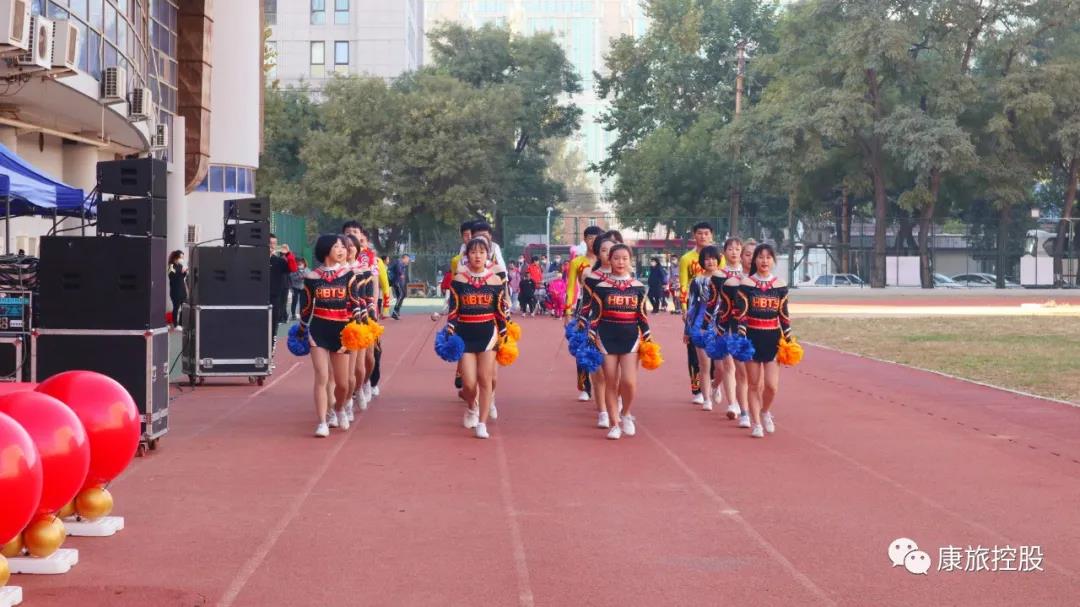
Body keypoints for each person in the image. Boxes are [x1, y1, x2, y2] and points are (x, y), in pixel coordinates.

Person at [299, 235, 372, 437]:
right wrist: (302, 331)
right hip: (318, 331)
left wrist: (354, 330)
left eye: (342, 247)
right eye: (336, 247)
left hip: (342, 332)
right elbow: (306, 308)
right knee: (322, 376)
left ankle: (339, 408)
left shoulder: (349, 275)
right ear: (325, 250)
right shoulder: (312, 277)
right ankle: (323, 421)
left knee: (343, 384)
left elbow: (355, 304)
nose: (341, 250)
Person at [445, 237, 509, 439]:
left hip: (488, 335)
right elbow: (453, 310)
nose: (478, 256)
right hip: (465, 334)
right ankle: (471, 407)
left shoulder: (495, 280)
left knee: (485, 379)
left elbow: (499, 311)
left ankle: (482, 423)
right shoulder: (459, 280)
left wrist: (504, 332)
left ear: (488, 255)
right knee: (469, 384)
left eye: (482, 252)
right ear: (467, 255)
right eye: (473, 252)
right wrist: (450, 329)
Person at [586, 243, 651, 440]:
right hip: (606, 338)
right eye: (616, 258)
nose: (620, 262)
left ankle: (626, 413)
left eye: (624, 258)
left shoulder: (638, 287)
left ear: (630, 260)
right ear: (609, 260)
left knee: (629, 382)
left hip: (631, 338)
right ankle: (614, 424)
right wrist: (591, 337)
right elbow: (595, 316)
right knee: (610, 382)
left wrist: (648, 337)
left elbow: (642, 316)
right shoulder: (601, 287)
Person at [735, 244, 791, 439]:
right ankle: (756, 424)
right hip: (752, 338)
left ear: (773, 260)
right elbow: (742, 314)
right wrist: (741, 335)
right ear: (755, 260)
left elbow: (784, 315)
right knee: (753, 384)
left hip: (773, 338)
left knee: (771, 386)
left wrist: (789, 338)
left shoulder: (780, 285)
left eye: (768, 257)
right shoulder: (746, 284)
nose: (764, 261)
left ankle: (765, 411)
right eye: (760, 257)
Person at [678, 222, 720, 404]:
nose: (703, 236)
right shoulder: (686, 259)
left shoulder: (719, 258)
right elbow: (683, 285)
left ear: (711, 235)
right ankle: (698, 390)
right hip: (696, 309)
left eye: (707, 233)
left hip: (718, 313)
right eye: (700, 233)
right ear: (694, 235)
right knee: (695, 353)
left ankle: (714, 384)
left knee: (717, 356)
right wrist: (684, 308)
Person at [708, 238, 747, 423]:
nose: (734, 252)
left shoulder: (748, 275)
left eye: (738, 249)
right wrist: (707, 324)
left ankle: (717, 386)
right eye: (730, 249)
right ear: (724, 252)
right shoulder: (718, 275)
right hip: (723, 322)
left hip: (743, 324)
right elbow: (712, 301)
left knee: (741, 368)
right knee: (727, 365)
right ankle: (733, 404)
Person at [565, 225, 603, 402]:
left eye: (596, 238)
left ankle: (604, 384)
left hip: (604, 306)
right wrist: (567, 311)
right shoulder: (577, 262)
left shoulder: (607, 260)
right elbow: (571, 287)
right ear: (584, 240)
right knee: (581, 344)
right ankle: (585, 386)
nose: (593, 241)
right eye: (589, 238)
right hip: (584, 306)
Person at [685, 245, 722, 412]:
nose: (710, 261)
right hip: (700, 323)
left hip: (721, 322)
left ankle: (716, 385)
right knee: (704, 364)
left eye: (713, 258)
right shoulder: (697, 281)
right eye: (707, 259)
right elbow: (692, 305)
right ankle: (706, 398)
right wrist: (687, 329)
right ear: (702, 261)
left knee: (721, 367)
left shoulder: (725, 279)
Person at [268, 234, 298, 341]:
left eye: (274, 243)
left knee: (273, 324)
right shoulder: (255, 259)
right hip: (258, 297)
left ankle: (271, 345)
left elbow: (293, 268)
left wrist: (288, 253)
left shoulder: (279, 261)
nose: (272, 246)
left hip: (274, 297)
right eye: (270, 243)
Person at [167, 250, 187, 329]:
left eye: (182, 257)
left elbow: (182, 277)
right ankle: (175, 324)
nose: (182, 259)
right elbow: (172, 276)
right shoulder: (171, 266)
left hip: (182, 290)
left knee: (184, 308)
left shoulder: (180, 266)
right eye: (180, 257)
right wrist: (180, 272)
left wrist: (184, 272)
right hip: (175, 291)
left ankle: (181, 324)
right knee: (176, 307)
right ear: (176, 257)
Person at [388, 253, 410, 319]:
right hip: (397, 282)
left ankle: (397, 312)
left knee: (401, 295)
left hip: (399, 282)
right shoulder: (399, 262)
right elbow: (399, 270)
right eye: (408, 259)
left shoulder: (402, 264)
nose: (408, 261)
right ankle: (395, 312)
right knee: (401, 295)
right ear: (405, 258)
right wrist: (401, 274)